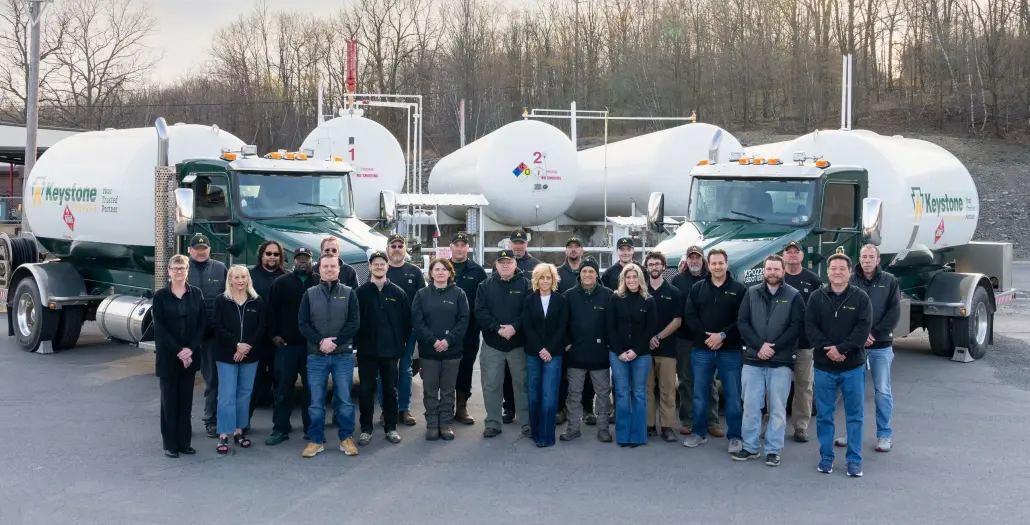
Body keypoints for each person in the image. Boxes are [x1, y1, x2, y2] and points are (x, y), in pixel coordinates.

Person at [733, 254, 805, 466]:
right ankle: (750, 447)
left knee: (777, 409)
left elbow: (796, 327)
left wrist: (774, 348)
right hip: (754, 360)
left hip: (780, 361)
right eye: (769, 269)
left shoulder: (794, 296)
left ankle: (773, 450)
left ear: (783, 271)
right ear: (764, 271)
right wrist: (759, 346)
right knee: (751, 407)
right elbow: (743, 322)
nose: (772, 273)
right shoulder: (751, 293)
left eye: (776, 269)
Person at [807, 252, 872, 477]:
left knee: (855, 416)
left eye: (842, 268)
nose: (837, 272)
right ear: (828, 272)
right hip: (824, 367)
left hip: (852, 366)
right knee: (825, 415)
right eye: (833, 268)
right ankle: (826, 457)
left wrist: (841, 349)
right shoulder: (816, 297)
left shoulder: (861, 298)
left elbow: (862, 330)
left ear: (849, 272)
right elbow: (811, 328)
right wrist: (829, 349)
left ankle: (854, 460)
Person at [835, 244, 900, 452]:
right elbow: (844, 312)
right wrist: (859, 337)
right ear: (859, 259)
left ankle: (884, 435)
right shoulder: (850, 279)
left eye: (871, 256)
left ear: (878, 260)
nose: (867, 260)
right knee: (853, 391)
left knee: (882, 391)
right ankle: (850, 434)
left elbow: (893, 314)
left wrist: (874, 334)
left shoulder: (890, 281)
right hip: (856, 346)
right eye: (864, 256)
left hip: (881, 346)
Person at [682, 248, 747, 453]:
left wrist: (722, 336)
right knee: (700, 393)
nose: (717, 267)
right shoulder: (698, 288)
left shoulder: (739, 289)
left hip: (730, 350)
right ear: (707, 265)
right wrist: (707, 338)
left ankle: (735, 436)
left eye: (721, 263)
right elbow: (690, 316)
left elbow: (742, 319)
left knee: (733, 395)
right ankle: (698, 433)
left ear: (727, 264)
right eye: (713, 263)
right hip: (702, 349)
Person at [297, 255, 361, 458]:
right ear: (319, 269)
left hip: (342, 355)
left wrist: (335, 342)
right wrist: (320, 342)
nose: (329, 269)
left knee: (344, 400)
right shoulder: (310, 294)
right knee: (316, 402)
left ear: (339, 269)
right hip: (316, 356)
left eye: (333, 266)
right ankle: (315, 440)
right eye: (325, 266)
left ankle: (346, 438)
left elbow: (354, 323)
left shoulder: (350, 293)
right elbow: (303, 323)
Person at [152, 254, 206, 458]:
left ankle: (185, 443)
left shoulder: (196, 294)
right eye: (175, 268)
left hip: (189, 357)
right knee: (169, 402)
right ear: (169, 271)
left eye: (182, 268)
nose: (178, 272)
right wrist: (178, 351)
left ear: (187, 270)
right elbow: (160, 328)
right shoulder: (160, 296)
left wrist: (190, 349)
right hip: (168, 357)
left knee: (185, 402)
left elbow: (202, 324)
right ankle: (170, 444)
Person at [355, 250, 411, 446]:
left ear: (387, 267)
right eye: (375, 264)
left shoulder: (398, 293)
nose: (379, 267)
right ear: (369, 267)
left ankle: (391, 428)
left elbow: (406, 322)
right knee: (366, 390)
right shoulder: (360, 293)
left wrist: (398, 343)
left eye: (382, 264)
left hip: (390, 352)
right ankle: (366, 429)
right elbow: (355, 322)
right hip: (367, 352)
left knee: (390, 391)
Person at [475, 249, 532, 438]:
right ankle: (493, 422)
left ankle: (527, 423)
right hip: (493, 344)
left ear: (515, 264)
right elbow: (480, 312)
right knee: (491, 385)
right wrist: (497, 328)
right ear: (496, 265)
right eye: (502, 262)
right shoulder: (484, 286)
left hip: (519, 344)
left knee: (522, 385)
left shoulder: (526, 285)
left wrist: (515, 327)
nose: (505, 265)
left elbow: (529, 311)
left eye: (509, 262)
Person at [265, 247, 318, 446]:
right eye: (299, 259)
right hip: (286, 346)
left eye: (306, 258)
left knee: (311, 390)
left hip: (312, 347)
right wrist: (274, 335)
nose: (302, 262)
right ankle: (280, 428)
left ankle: (310, 428)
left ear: (312, 260)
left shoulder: (319, 282)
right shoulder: (281, 282)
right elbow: (271, 311)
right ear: (293, 261)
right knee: (283, 390)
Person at [412, 258, 470, 441]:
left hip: (451, 353)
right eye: (436, 269)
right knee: (430, 390)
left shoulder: (459, 294)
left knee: (447, 390)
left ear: (450, 273)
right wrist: (433, 340)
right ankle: (431, 424)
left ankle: (445, 424)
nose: (440, 272)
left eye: (444, 269)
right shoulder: (421, 295)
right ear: (431, 273)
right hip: (429, 353)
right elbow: (417, 321)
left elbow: (463, 320)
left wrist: (448, 340)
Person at [211, 265, 265, 454]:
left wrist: (246, 346)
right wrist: (236, 345)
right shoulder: (221, 300)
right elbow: (217, 326)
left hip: (250, 355)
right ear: (230, 280)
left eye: (244, 277)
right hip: (226, 355)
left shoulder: (256, 301)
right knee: (227, 395)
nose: (241, 280)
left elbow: (261, 327)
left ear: (248, 279)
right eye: (237, 277)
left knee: (244, 394)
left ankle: (239, 431)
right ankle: (224, 434)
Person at [561, 257, 613, 443]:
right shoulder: (569, 295)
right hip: (575, 356)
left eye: (591, 271)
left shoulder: (608, 295)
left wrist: (608, 345)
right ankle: (573, 428)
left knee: (603, 394)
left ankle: (603, 428)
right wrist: (567, 343)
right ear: (579, 274)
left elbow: (612, 325)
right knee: (574, 394)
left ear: (597, 274)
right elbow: (562, 324)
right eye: (584, 271)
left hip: (600, 356)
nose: (588, 274)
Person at [671, 246, 721, 437]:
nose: (694, 261)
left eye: (697, 258)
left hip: (708, 340)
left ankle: (712, 421)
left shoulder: (711, 280)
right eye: (691, 258)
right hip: (684, 339)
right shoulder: (678, 280)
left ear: (703, 260)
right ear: (687, 260)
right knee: (686, 381)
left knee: (709, 381)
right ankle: (689, 420)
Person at [607, 263, 657, 447]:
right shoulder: (615, 298)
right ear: (623, 279)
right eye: (628, 277)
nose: (631, 280)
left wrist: (635, 351)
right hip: (618, 354)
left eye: (634, 277)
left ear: (640, 279)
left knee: (638, 393)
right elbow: (610, 327)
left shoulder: (648, 300)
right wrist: (620, 351)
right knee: (621, 393)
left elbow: (650, 328)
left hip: (641, 354)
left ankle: (637, 435)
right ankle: (622, 435)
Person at [522, 263, 570, 447]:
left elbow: (561, 327)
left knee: (549, 396)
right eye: (541, 277)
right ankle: (536, 431)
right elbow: (528, 327)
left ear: (553, 280)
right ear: (536, 280)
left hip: (554, 353)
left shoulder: (561, 300)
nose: (545, 281)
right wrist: (540, 349)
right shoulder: (529, 300)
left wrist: (549, 349)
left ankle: (546, 436)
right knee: (534, 395)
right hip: (533, 353)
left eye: (548, 277)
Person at [381, 233, 425, 427]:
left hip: (408, 331)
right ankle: (386, 410)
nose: (397, 249)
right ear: (387, 249)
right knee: (384, 372)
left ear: (405, 248)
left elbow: (421, 301)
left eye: (400, 245)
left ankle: (404, 409)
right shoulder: (380, 270)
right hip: (384, 332)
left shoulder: (414, 272)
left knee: (405, 370)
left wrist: (417, 327)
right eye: (393, 246)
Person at [187, 233, 227, 439]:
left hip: (211, 334)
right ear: (190, 250)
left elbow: (227, 299)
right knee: (182, 382)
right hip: (187, 336)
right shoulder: (182, 269)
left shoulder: (220, 269)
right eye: (197, 248)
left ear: (209, 250)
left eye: (204, 248)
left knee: (212, 381)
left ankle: (211, 421)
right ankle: (181, 423)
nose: (201, 252)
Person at [782, 240, 822, 443]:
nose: (791, 255)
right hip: (779, 343)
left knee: (804, 385)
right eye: (787, 252)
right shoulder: (776, 277)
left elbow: (819, 311)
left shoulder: (812, 279)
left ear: (802, 256)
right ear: (783, 256)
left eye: (795, 252)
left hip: (804, 343)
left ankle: (800, 427)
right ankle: (774, 423)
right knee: (776, 386)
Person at [449, 232, 488, 426]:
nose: (459, 248)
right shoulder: (443, 268)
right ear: (451, 247)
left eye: (463, 245)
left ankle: (462, 407)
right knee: (447, 367)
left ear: (467, 248)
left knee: (465, 367)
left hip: (470, 329)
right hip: (446, 328)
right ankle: (447, 406)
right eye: (456, 244)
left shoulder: (477, 271)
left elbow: (482, 301)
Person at [644, 251, 682, 442]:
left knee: (668, 390)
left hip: (667, 349)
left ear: (664, 267)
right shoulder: (641, 291)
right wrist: (646, 339)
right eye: (651, 264)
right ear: (647, 267)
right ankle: (649, 425)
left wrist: (658, 336)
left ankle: (667, 426)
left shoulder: (673, 292)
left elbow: (677, 321)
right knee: (647, 389)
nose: (654, 267)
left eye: (657, 264)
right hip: (644, 350)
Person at [556, 236, 593, 426]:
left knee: (588, 374)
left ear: (582, 251)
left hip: (586, 333)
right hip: (565, 333)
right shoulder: (558, 273)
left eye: (577, 247)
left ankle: (588, 409)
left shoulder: (589, 271)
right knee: (564, 375)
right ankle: (562, 409)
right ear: (565, 251)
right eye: (569, 247)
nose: (573, 250)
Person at [505, 229, 539, 423]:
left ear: (527, 244)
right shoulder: (503, 263)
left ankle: (526, 408)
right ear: (510, 244)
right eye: (515, 242)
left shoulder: (536, 265)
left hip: (528, 329)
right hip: (507, 328)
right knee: (507, 373)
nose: (518, 246)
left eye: (521, 242)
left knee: (525, 373)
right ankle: (509, 407)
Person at [249, 240, 285, 413]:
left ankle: (280, 422)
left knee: (280, 378)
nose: (272, 257)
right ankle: (244, 422)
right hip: (256, 336)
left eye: (276, 254)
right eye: (268, 253)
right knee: (254, 380)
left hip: (279, 337)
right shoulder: (250, 276)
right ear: (261, 255)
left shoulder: (287, 276)